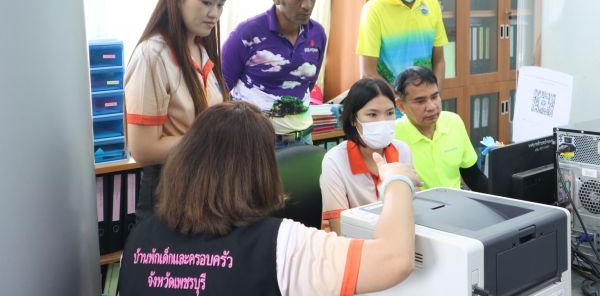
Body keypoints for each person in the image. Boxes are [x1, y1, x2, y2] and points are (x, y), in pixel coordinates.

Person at [118, 101, 422, 295]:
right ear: (262, 170)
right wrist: (396, 180)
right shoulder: (282, 245)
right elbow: (394, 260)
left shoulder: (139, 238)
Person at [124, 0, 230, 222]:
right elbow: (144, 150)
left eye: (220, 5)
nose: (214, 14)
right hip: (170, 191)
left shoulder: (202, 49)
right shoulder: (152, 55)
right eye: (207, 2)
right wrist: (216, 138)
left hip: (206, 186)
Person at [221, 0, 327, 148]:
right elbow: (219, 91)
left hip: (303, 139)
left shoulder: (317, 33)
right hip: (254, 142)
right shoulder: (246, 34)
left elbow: (307, 85)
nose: (307, 5)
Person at [320, 77, 414, 236]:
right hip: (354, 244)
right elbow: (341, 231)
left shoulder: (402, 150)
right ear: (353, 120)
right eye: (372, 114)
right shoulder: (334, 161)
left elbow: (412, 212)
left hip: (397, 239)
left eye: (389, 113)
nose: (383, 121)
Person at [357, 0, 448, 100]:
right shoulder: (374, 9)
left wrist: (433, 98)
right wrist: (403, 103)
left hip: (425, 104)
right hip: (391, 104)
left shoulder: (432, 4)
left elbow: (439, 61)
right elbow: (368, 72)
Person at [394, 66, 489, 193]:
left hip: (456, 202)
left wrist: (504, 199)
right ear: (401, 105)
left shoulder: (453, 122)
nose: (431, 107)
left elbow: (473, 176)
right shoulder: (393, 137)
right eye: (420, 101)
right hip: (418, 204)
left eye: (434, 97)